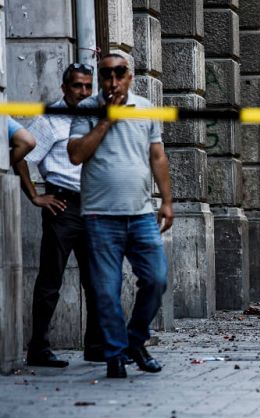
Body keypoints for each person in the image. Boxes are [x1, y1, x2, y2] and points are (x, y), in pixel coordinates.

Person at [68, 53, 173, 378]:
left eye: (119, 74)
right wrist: (106, 121)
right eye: (107, 75)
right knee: (105, 289)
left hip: (141, 214)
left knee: (156, 279)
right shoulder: (87, 110)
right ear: (101, 78)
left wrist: (167, 201)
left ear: (130, 76)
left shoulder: (146, 109)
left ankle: (135, 341)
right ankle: (115, 354)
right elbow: (75, 155)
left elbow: (157, 155)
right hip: (100, 217)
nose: (113, 81)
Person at [17, 63, 104, 368]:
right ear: (65, 88)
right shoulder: (50, 118)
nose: (83, 92)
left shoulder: (95, 113)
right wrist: (35, 196)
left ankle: (95, 346)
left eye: (88, 86)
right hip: (63, 207)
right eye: (77, 86)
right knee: (50, 281)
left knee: (97, 281)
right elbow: (22, 157)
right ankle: (38, 349)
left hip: (93, 206)